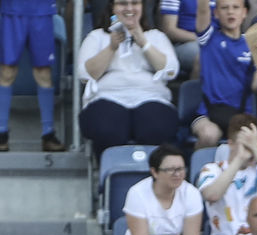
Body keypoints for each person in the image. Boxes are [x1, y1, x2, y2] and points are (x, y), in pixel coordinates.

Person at [75, 0, 180, 157]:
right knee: (107, 130)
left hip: (151, 97)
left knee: (156, 128)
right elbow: (85, 75)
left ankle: (151, 177)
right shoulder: (96, 36)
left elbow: (171, 71)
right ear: (113, 8)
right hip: (107, 97)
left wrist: (143, 42)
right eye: (123, 3)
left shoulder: (156, 36)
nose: (129, 8)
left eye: (135, 3)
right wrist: (111, 47)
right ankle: (111, 178)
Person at [193, 0, 257, 149]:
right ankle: (197, 170)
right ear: (216, 13)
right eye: (224, 8)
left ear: (244, 12)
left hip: (241, 114)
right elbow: (202, 11)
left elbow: (256, 86)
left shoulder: (254, 43)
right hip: (207, 113)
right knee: (209, 135)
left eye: (235, 7)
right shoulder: (209, 37)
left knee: (248, 141)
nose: (230, 12)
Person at [116, 144, 204, 235]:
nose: (177, 174)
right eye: (170, 170)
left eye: (181, 169)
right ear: (155, 172)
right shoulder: (137, 193)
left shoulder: (191, 193)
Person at [0, 0, 65, 152]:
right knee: (7, 69)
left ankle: (48, 133)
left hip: (42, 11)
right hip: (12, 9)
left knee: (43, 71)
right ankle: (1, 132)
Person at [158, 0, 202, 77]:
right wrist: (202, 38)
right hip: (183, 44)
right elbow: (169, 30)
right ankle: (191, 88)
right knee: (206, 56)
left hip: (213, 40)